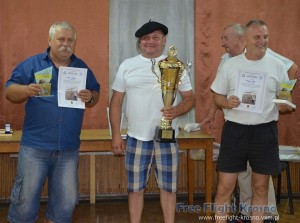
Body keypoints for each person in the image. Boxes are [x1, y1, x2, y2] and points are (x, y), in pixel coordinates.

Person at [201, 23, 297, 223]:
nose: (263, 41)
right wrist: (226, 102)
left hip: (265, 132)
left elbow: (284, 96)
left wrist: (284, 104)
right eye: (257, 37)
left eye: (265, 37)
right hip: (234, 131)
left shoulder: (277, 65)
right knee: (225, 187)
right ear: (245, 40)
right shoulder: (230, 65)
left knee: (260, 188)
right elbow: (217, 96)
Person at [5, 21, 100, 223]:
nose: (66, 44)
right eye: (61, 39)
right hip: (35, 146)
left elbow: (95, 93)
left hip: (68, 147)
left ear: (75, 43)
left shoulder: (80, 67)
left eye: (70, 40)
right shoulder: (32, 64)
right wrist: (26, 90)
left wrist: (89, 96)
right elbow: (9, 91)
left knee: (67, 202)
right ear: (50, 40)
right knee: (24, 201)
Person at [109, 20, 195, 223]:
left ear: (164, 41)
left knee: (168, 188)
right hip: (136, 138)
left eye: (155, 38)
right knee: (135, 188)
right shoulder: (127, 65)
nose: (150, 42)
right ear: (140, 42)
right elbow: (116, 102)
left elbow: (190, 98)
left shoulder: (176, 65)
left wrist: (177, 110)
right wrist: (115, 134)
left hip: (167, 138)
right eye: (146, 38)